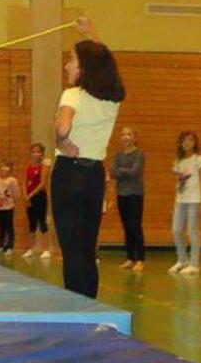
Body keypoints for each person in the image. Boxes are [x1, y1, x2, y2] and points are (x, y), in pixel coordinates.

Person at [51, 18, 125, 299]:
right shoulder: (111, 99)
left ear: (83, 67)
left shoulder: (72, 94)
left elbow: (63, 127)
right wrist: (92, 33)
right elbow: (104, 62)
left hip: (68, 175)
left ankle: (76, 307)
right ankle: (90, 305)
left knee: (71, 250)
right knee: (86, 248)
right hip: (93, 177)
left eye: (71, 60)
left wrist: (61, 141)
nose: (66, 66)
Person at [169, 131, 201, 275]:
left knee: (192, 231)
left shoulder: (198, 159)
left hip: (194, 199)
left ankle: (194, 264)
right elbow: (179, 181)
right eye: (185, 140)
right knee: (176, 230)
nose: (187, 143)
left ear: (195, 143)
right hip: (180, 199)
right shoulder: (178, 161)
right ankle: (182, 259)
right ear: (180, 143)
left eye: (191, 140)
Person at [110, 126, 145, 272]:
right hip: (121, 193)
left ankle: (140, 259)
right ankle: (130, 257)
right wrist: (123, 171)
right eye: (123, 135)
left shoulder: (139, 154)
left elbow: (135, 172)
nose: (125, 137)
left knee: (135, 226)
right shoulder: (118, 155)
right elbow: (112, 172)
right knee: (126, 226)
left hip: (135, 194)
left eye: (129, 134)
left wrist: (120, 171)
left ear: (135, 138)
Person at [22, 142, 52, 260]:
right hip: (29, 197)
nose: (36, 154)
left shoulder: (44, 167)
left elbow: (42, 183)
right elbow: (24, 182)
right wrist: (25, 196)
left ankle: (46, 250)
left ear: (42, 154)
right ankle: (30, 249)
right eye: (33, 151)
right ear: (30, 153)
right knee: (31, 223)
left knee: (42, 222)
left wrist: (30, 195)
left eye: (38, 152)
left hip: (40, 196)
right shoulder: (27, 167)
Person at [0, 159, 21, 257]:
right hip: (0, 207)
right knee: (1, 227)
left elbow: (16, 194)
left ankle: (10, 247)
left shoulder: (12, 180)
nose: (4, 169)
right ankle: (0, 246)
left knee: (9, 227)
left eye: (6, 166)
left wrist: (12, 200)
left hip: (9, 207)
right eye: (2, 167)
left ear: (10, 169)